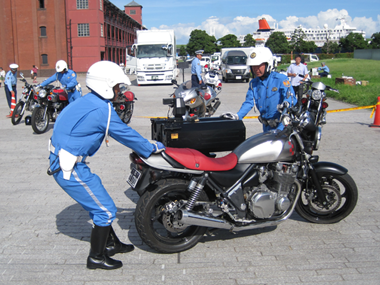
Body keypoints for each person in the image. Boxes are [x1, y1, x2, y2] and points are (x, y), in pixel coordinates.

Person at [47, 60, 165, 270]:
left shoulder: (88, 100)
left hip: (66, 161)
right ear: (106, 85)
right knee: (105, 210)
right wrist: (151, 147)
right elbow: (126, 135)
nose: (120, 90)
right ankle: (96, 257)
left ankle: (111, 244)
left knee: (99, 202)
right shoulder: (102, 110)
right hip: (69, 168)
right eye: (117, 86)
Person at [222, 47, 297, 132]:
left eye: (259, 65)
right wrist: (237, 116)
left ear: (268, 64)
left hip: (281, 125)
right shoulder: (253, 83)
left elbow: (291, 98)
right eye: (253, 66)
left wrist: (286, 105)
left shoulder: (281, 79)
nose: (256, 69)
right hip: (266, 126)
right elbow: (249, 102)